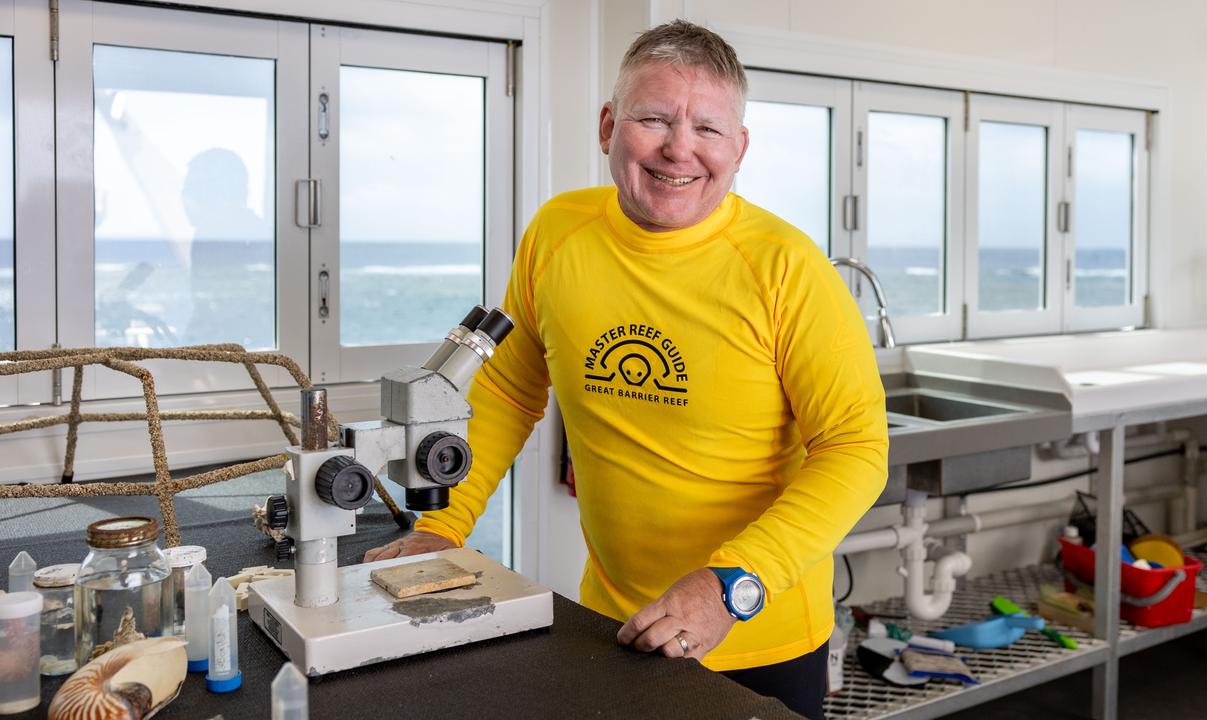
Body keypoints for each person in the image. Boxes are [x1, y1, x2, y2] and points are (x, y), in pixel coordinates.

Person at [364, 20, 887, 719]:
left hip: (760, 634)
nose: (679, 149)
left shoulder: (788, 269)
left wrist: (732, 584)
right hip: (613, 619)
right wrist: (444, 526)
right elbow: (511, 392)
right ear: (608, 124)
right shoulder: (557, 233)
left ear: (740, 147)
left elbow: (855, 451)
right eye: (654, 118)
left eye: (708, 128)